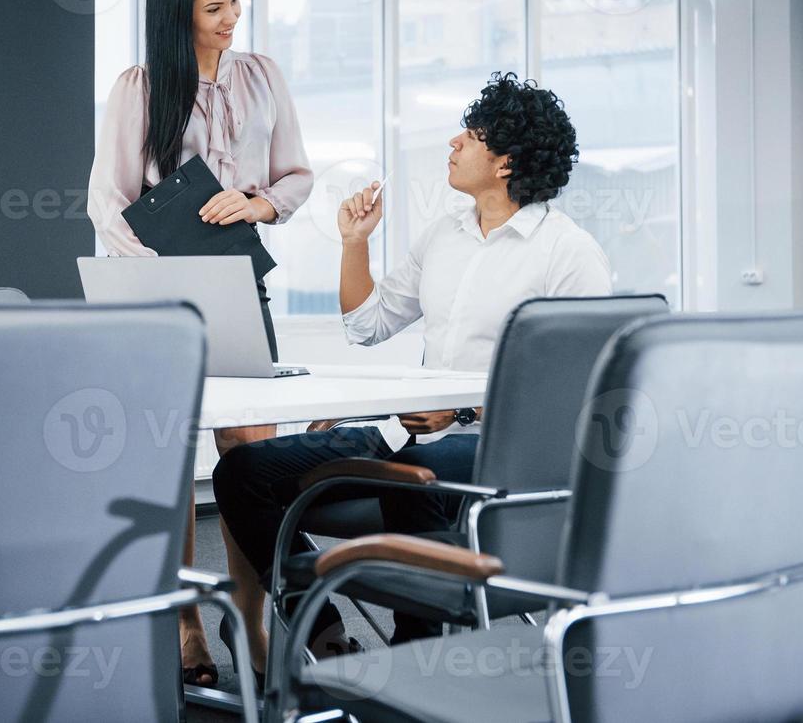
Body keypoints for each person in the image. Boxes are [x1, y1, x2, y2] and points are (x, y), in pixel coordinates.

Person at [212, 71, 612, 651]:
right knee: (242, 472)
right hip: (410, 435)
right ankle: (322, 631)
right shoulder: (443, 235)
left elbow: (586, 388)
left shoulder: (569, 252)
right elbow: (367, 325)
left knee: (420, 478)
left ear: (505, 162)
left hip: (500, 448)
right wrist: (355, 243)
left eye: (469, 136)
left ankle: (417, 651)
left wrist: (466, 411)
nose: (453, 143)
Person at [87, 0, 313, 688]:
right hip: (158, 299)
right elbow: (108, 201)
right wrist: (163, 269)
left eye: (235, 1)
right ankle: (186, 621)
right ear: (176, 14)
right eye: (214, 8)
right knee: (169, 464)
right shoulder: (140, 87)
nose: (231, 18)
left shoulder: (263, 78)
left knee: (252, 461)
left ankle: (250, 618)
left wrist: (257, 201)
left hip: (240, 287)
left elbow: (296, 175)